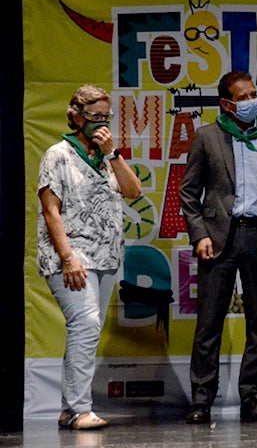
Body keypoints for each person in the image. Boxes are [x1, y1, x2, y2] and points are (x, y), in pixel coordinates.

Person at [179, 70, 257, 424]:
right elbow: (188, 192)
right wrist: (199, 234)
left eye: (253, 95)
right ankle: (202, 400)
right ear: (226, 104)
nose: (251, 102)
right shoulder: (207, 137)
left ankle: (253, 398)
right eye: (242, 97)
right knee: (209, 324)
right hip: (218, 240)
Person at [37, 85, 142, 430]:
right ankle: (79, 409)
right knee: (85, 324)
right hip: (71, 256)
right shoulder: (58, 154)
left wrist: (113, 153)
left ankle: (69, 408)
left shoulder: (106, 156)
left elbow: (133, 191)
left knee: (87, 328)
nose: (102, 122)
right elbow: (51, 211)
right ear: (77, 116)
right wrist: (68, 257)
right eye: (95, 116)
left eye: (106, 116)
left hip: (105, 255)